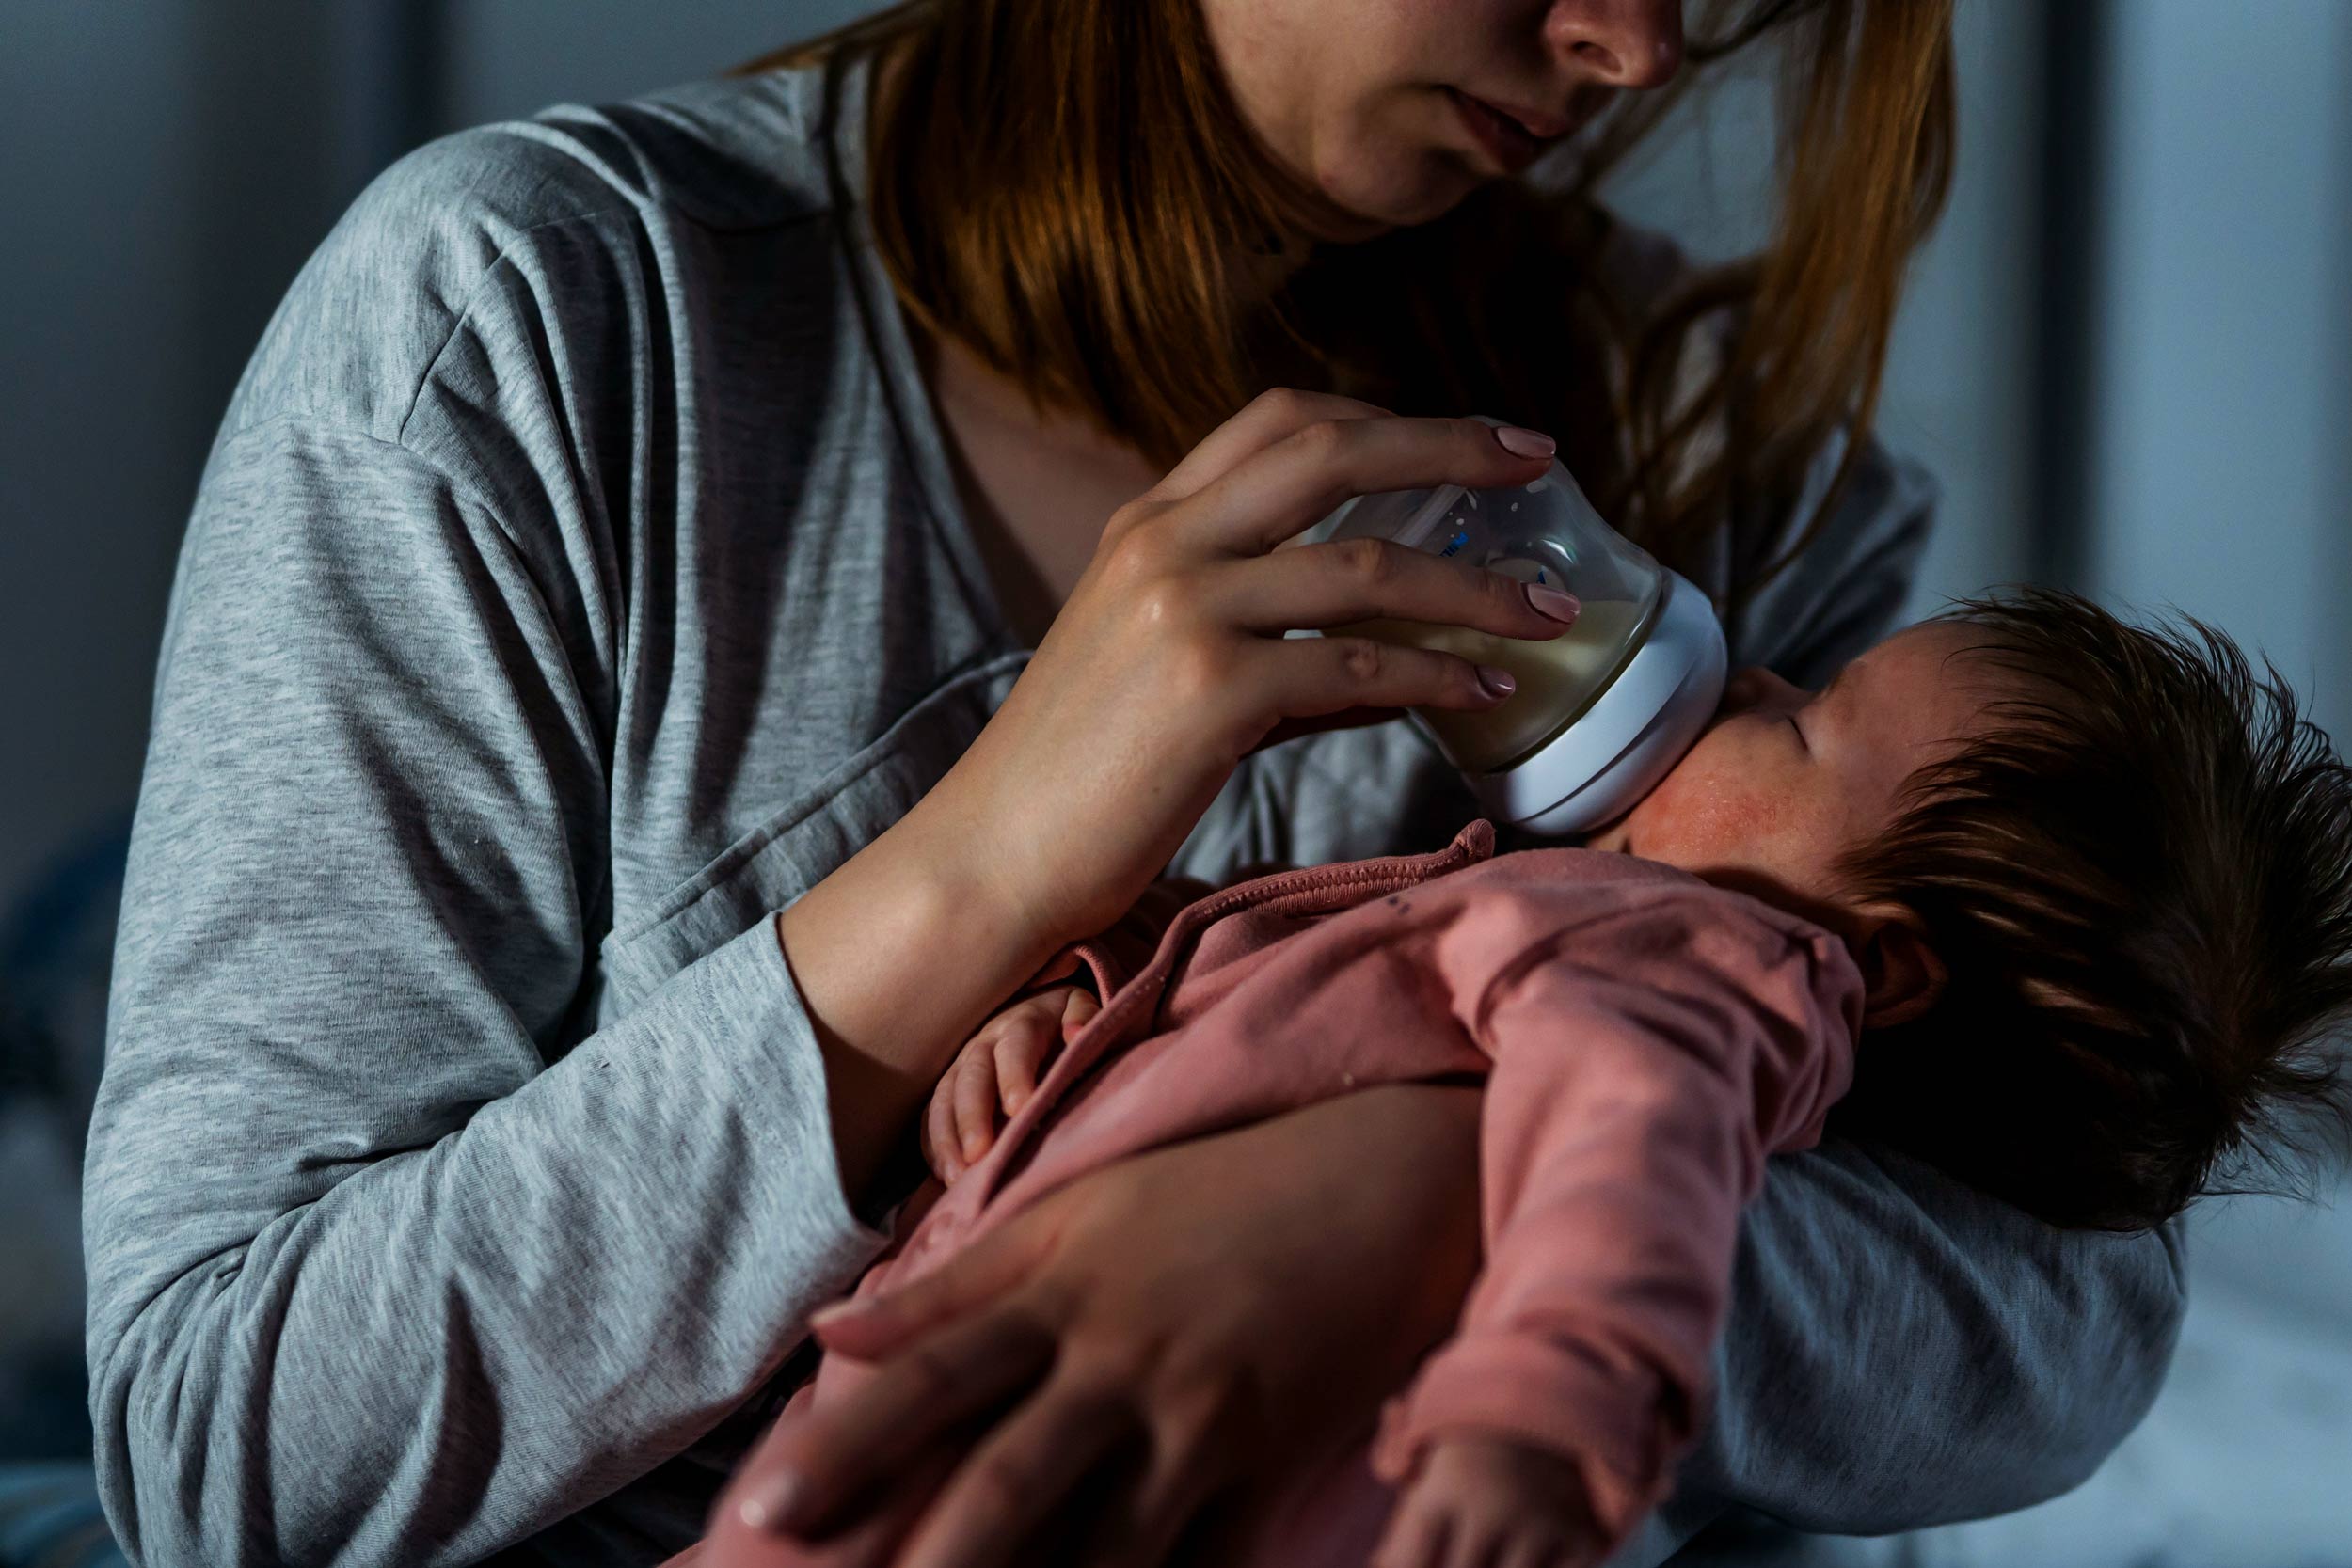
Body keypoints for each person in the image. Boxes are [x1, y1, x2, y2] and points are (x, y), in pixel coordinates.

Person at [82, 2, 2181, 1565]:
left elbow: (2081, 1276)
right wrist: (980, 868)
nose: (1627, 50)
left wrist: (1420, 1204)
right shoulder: (538, 328)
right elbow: (225, 1455)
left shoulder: (1698, 469)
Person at [698, 594, 2352, 1568]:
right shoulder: (1606, 928)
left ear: (1890, 966)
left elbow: (1635, 1163)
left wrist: (1545, 1418)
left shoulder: (1708, 966)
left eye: (1801, 723)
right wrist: (1064, 1008)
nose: (1747, 683)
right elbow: (1254, 984)